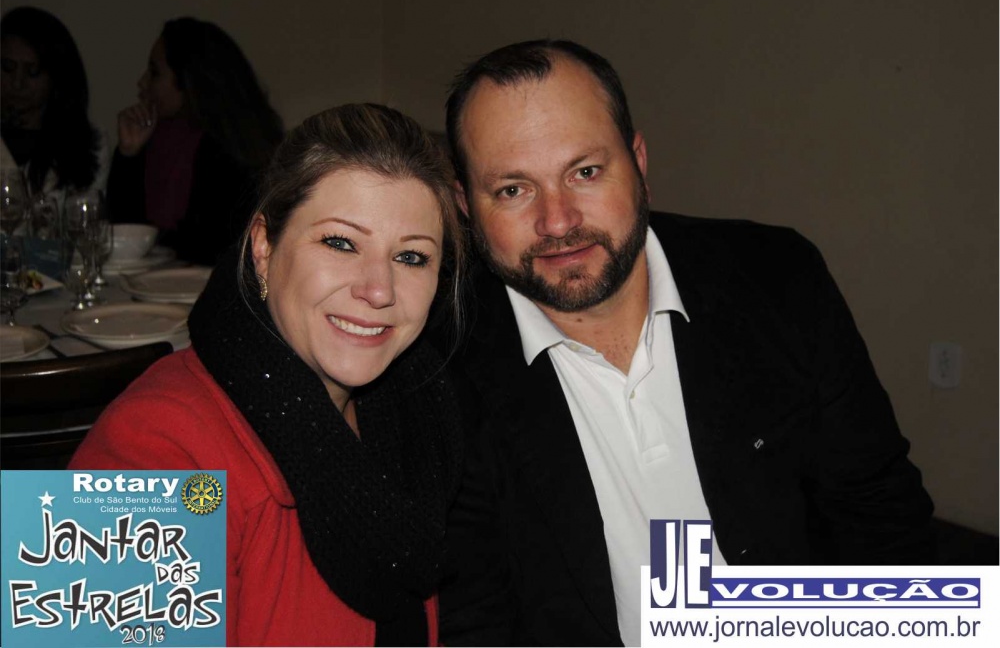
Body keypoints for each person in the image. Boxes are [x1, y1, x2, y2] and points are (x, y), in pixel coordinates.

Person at [437, 40, 935, 646]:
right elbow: (474, 618)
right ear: (465, 206)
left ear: (638, 162)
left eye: (585, 172)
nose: (559, 220)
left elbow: (882, 519)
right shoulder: (437, 367)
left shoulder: (778, 277)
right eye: (513, 190)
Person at [71, 103, 466, 646]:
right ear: (263, 246)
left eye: (412, 258)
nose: (379, 290)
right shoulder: (148, 450)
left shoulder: (420, 418)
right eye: (340, 243)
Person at [106, 17, 284, 265]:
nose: (142, 83)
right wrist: (128, 154)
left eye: (155, 72)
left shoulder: (232, 154)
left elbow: (211, 245)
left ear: (189, 80)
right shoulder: (153, 138)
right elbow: (122, 234)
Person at [0, 6, 108, 200]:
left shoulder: (89, 147)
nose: (17, 83)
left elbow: (86, 212)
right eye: (7, 68)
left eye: (32, 71)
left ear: (56, 75)